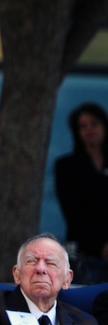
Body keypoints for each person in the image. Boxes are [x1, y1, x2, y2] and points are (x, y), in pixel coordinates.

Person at [55, 102, 108, 283]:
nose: (89, 129)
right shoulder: (66, 166)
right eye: (83, 126)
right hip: (85, 252)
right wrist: (101, 245)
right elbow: (73, 211)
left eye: (94, 123)